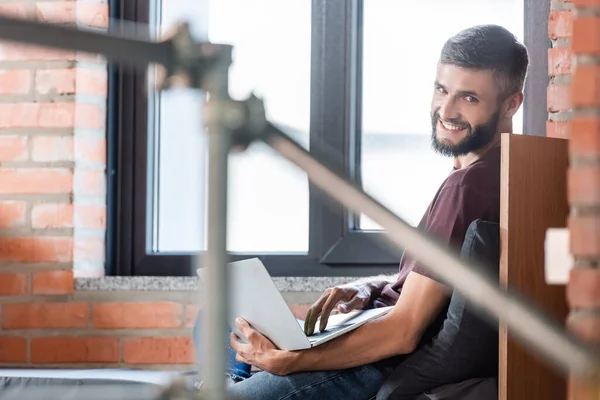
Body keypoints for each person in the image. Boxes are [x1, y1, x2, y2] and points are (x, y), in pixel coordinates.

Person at [193, 24, 529, 400]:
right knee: (219, 315)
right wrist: (368, 286)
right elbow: (433, 285)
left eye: (468, 98)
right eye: (441, 89)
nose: (445, 110)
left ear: (511, 103)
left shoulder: (467, 187)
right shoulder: (512, 169)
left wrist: (292, 361)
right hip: (372, 325)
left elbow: (404, 332)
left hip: (372, 363)